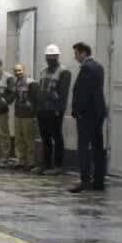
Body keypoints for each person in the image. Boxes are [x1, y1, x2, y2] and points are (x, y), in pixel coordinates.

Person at [70, 42, 108, 193]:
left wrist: (77, 110)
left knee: (83, 148)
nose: (75, 57)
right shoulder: (99, 67)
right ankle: (99, 181)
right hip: (98, 113)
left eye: (76, 53)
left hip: (87, 114)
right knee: (98, 147)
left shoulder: (86, 68)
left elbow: (83, 93)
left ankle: (85, 180)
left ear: (83, 53)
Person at [33, 44, 71, 175]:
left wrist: (59, 109)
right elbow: (40, 90)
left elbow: (63, 94)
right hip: (42, 110)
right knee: (45, 138)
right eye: (48, 56)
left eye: (53, 56)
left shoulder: (64, 72)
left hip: (54, 110)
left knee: (57, 137)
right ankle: (46, 164)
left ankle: (58, 166)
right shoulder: (43, 71)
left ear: (58, 56)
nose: (50, 58)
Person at [10, 63, 38, 171]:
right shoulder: (16, 83)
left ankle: (30, 162)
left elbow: (36, 99)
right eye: (16, 71)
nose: (17, 73)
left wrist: (34, 114)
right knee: (18, 139)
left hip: (28, 116)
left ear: (24, 70)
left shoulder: (31, 83)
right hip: (18, 115)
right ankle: (21, 161)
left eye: (19, 70)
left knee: (29, 139)